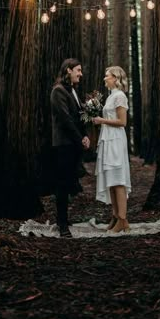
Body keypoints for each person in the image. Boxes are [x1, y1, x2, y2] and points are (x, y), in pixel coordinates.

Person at [50, 58, 90, 237]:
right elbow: (65, 119)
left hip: (73, 143)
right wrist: (79, 138)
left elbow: (80, 114)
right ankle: (62, 223)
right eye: (78, 70)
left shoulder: (73, 90)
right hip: (63, 144)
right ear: (68, 70)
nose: (80, 74)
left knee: (69, 182)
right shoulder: (58, 91)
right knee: (62, 184)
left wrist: (86, 135)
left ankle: (64, 219)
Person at [93, 66, 131, 233]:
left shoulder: (120, 96)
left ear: (115, 78)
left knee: (118, 180)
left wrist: (101, 120)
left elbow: (122, 122)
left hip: (115, 139)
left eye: (107, 76)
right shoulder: (111, 96)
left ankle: (122, 219)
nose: (104, 78)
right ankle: (116, 216)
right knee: (111, 180)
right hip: (107, 139)